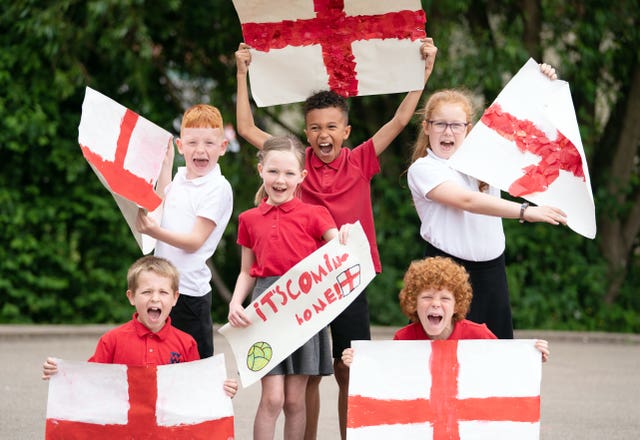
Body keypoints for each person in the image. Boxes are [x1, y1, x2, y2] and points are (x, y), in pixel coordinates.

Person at [235, 36, 438, 440]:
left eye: (331, 127)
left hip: (348, 280)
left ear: (345, 131)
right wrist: (242, 72)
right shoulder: (295, 165)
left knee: (350, 367)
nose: (323, 134)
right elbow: (245, 127)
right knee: (308, 377)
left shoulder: (361, 159)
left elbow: (399, 121)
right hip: (301, 285)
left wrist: (424, 71)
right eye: (314, 127)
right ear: (305, 132)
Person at [406, 64, 567, 340]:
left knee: (497, 357)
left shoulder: (485, 160)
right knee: (450, 360)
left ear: (468, 129)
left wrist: (540, 83)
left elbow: (521, 126)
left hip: (492, 272)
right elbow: (467, 200)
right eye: (440, 124)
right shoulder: (422, 169)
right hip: (447, 273)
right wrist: (526, 211)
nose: (448, 132)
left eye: (456, 125)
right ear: (426, 127)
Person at [227, 136, 348, 440]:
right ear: (260, 171)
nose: (280, 180)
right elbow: (246, 271)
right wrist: (235, 303)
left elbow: (341, 250)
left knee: (295, 401)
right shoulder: (248, 219)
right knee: (273, 399)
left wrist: (345, 233)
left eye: (289, 173)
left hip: (304, 311)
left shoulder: (315, 214)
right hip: (267, 310)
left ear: (301, 177)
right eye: (273, 172)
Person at [42, 256, 238, 397]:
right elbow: (90, 379)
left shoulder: (186, 343)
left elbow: (196, 387)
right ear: (131, 297)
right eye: (146, 292)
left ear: (175, 298)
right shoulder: (112, 340)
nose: (155, 298)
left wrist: (220, 389)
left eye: (163, 292)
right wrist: (61, 372)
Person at [136, 104, 233, 359]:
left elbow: (194, 242)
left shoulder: (217, 188)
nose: (200, 150)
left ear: (222, 147)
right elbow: (160, 207)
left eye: (209, 143)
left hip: (189, 294)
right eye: (192, 142)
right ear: (181, 146)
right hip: (161, 288)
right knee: (158, 361)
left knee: (195, 367)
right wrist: (165, 166)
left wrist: (155, 232)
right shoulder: (179, 179)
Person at [341, 256, 550, 366]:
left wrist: (531, 357)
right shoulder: (404, 338)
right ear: (413, 301)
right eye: (427, 296)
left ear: (457, 304)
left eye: (445, 298)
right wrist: (360, 363)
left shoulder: (478, 335)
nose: (435, 303)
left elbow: (504, 365)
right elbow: (390, 375)